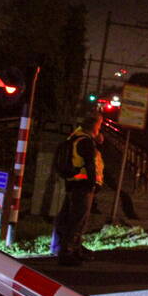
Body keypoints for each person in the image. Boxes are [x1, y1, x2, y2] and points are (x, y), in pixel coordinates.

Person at [54, 113, 105, 267]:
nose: (100, 127)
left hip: (73, 184)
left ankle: (75, 249)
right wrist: (93, 185)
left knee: (73, 218)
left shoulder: (76, 137)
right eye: (99, 124)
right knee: (78, 221)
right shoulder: (86, 142)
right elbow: (90, 165)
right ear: (95, 126)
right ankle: (67, 253)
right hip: (83, 186)